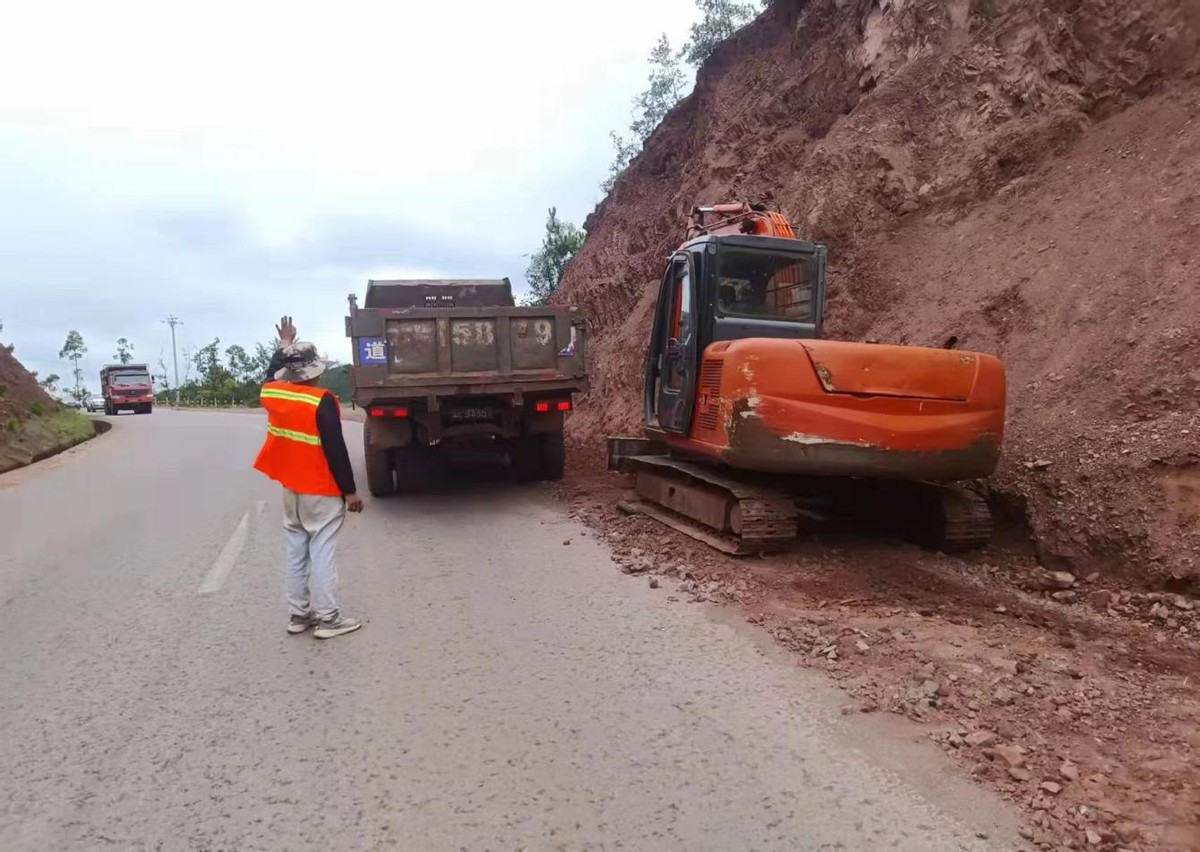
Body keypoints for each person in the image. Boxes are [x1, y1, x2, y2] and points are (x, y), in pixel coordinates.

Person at [254, 316, 364, 639]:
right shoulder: (322, 402)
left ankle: (299, 615)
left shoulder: (274, 396)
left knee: (296, 552)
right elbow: (336, 450)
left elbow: (266, 378)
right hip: (321, 491)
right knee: (323, 552)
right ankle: (329, 619)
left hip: (291, 492)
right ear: (316, 372)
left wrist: (283, 348)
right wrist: (351, 492)